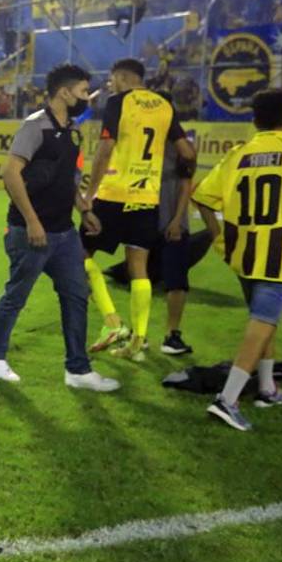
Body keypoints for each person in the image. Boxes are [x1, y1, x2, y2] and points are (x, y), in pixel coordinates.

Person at [192, 90, 282, 431]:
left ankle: (267, 389)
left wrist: (218, 238)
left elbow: (203, 199)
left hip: (242, 252)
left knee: (265, 321)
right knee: (262, 323)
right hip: (279, 253)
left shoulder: (237, 155)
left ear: (253, 120)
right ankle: (227, 400)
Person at [0, 63, 119, 392]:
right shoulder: (35, 126)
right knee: (17, 295)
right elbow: (11, 174)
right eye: (84, 91)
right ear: (64, 92)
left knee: (76, 294)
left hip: (64, 232)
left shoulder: (72, 130)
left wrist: (83, 208)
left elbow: (66, 177)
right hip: (31, 232)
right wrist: (32, 221)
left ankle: (78, 370)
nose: (87, 97)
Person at [83, 59, 196, 361]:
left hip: (113, 193)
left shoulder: (119, 101)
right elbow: (187, 151)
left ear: (121, 77)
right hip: (147, 199)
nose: (110, 85)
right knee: (139, 268)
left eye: (112, 80)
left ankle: (112, 323)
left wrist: (90, 194)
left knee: (77, 255)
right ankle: (138, 342)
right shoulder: (163, 106)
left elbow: (105, 150)